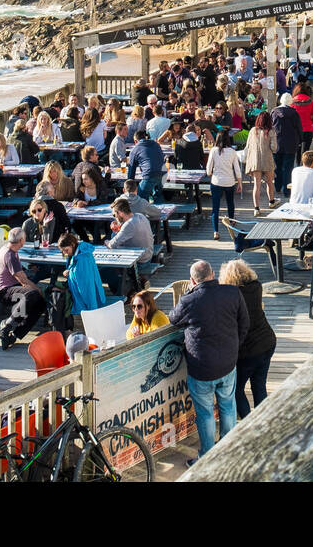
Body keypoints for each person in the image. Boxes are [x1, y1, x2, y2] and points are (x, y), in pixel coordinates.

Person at [169, 260, 248, 462]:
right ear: (213, 274)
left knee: (205, 414)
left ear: (192, 280)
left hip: (201, 368)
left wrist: (188, 293)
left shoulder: (189, 300)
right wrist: (234, 347)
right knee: (228, 406)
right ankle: (227, 451)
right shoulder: (232, 292)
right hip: (228, 363)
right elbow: (244, 323)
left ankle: (207, 457)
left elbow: (173, 318)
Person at [219, 259, 276, 420]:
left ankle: (248, 422)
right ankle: (263, 421)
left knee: (237, 390)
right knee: (259, 386)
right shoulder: (256, 287)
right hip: (267, 341)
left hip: (248, 350)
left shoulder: (232, 296)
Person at [0, 228, 45, 350]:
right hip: (4, 291)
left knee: (41, 304)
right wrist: (38, 289)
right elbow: (23, 281)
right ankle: (7, 325)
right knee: (33, 294)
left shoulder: (6, 248)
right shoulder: (10, 254)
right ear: (22, 240)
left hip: (7, 287)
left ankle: (14, 335)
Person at [205, 130, 242, 241]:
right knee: (230, 203)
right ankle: (231, 222)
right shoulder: (232, 151)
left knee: (215, 208)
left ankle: (216, 231)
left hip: (216, 182)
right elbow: (237, 169)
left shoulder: (214, 151)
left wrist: (212, 173)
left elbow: (208, 170)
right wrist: (240, 182)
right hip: (229, 182)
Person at [242, 112, 276, 214]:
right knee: (270, 182)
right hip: (267, 160)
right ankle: (271, 201)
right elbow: (274, 148)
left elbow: (248, 146)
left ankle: (256, 208)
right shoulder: (271, 131)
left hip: (255, 161)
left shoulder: (253, 130)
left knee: (256, 185)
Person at [270, 93, 303, 198]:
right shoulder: (294, 113)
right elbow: (299, 129)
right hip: (291, 144)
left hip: (277, 143)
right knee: (288, 168)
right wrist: (300, 140)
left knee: (277, 166)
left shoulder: (274, 112)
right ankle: (287, 190)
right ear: (290, 102)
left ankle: (278, 186)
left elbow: (270, 127)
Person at [107, 197, 154, 263]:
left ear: (120, 213)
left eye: (114, 215)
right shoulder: (140, 216)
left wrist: (113, 233)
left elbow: (112, 245)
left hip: (140, 262)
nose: (115, 218)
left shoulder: (129, 224)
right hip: (148, 256)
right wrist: (118, 229)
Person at [127, 129, 166, 202]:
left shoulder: (135, 149)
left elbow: (131, 171)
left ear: (135, 141)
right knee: (158, 196)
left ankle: (147, 212)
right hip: (162, 173)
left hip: (150, 174)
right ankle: (160, 211)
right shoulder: (156, 144)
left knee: (140, 199)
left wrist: (129, 188)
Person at [291, 81, 313, 159]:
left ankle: (298, 168)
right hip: (308, 129)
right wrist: (310, 122)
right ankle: (305, 167)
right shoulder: (311, 102)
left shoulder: (292, 102)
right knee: (305, 152)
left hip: (295, 131)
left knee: (297, 152)